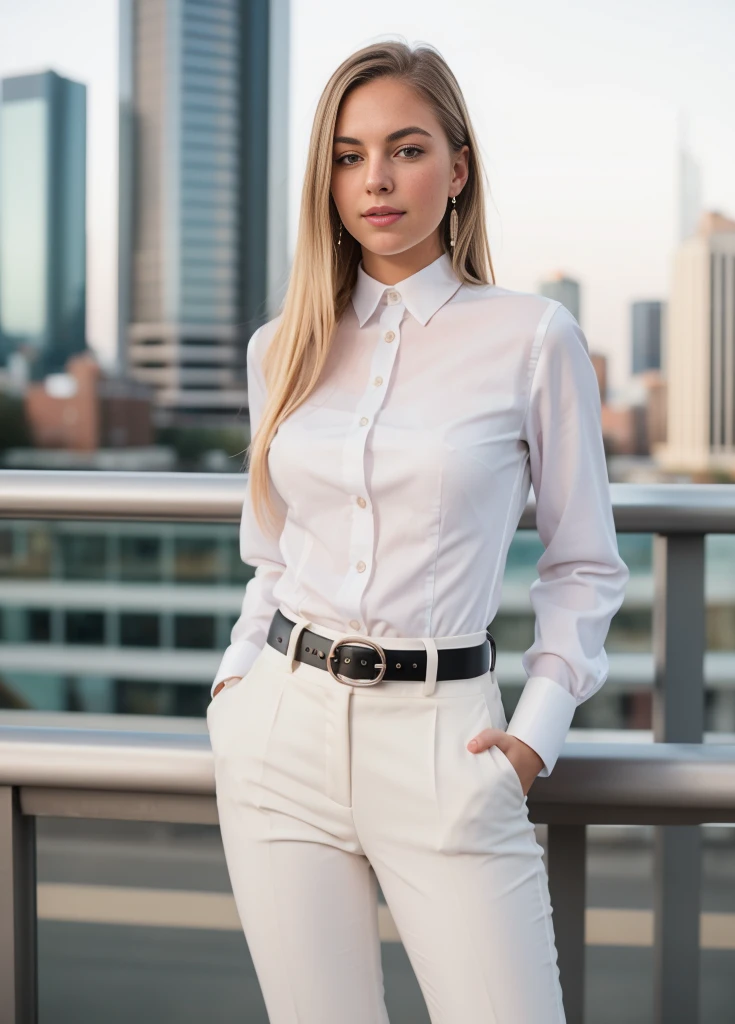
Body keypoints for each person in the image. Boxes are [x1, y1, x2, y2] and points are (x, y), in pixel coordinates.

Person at [205, 38, 629, 1024]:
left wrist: (531, 742)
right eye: (349, 156)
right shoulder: (285, 346)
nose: (376, 179)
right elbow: (271, 552)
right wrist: (234, 687)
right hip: (280, 735)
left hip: (447, 742)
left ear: (459, 168)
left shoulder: (532, 336)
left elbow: (582, 563)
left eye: (405, 149)